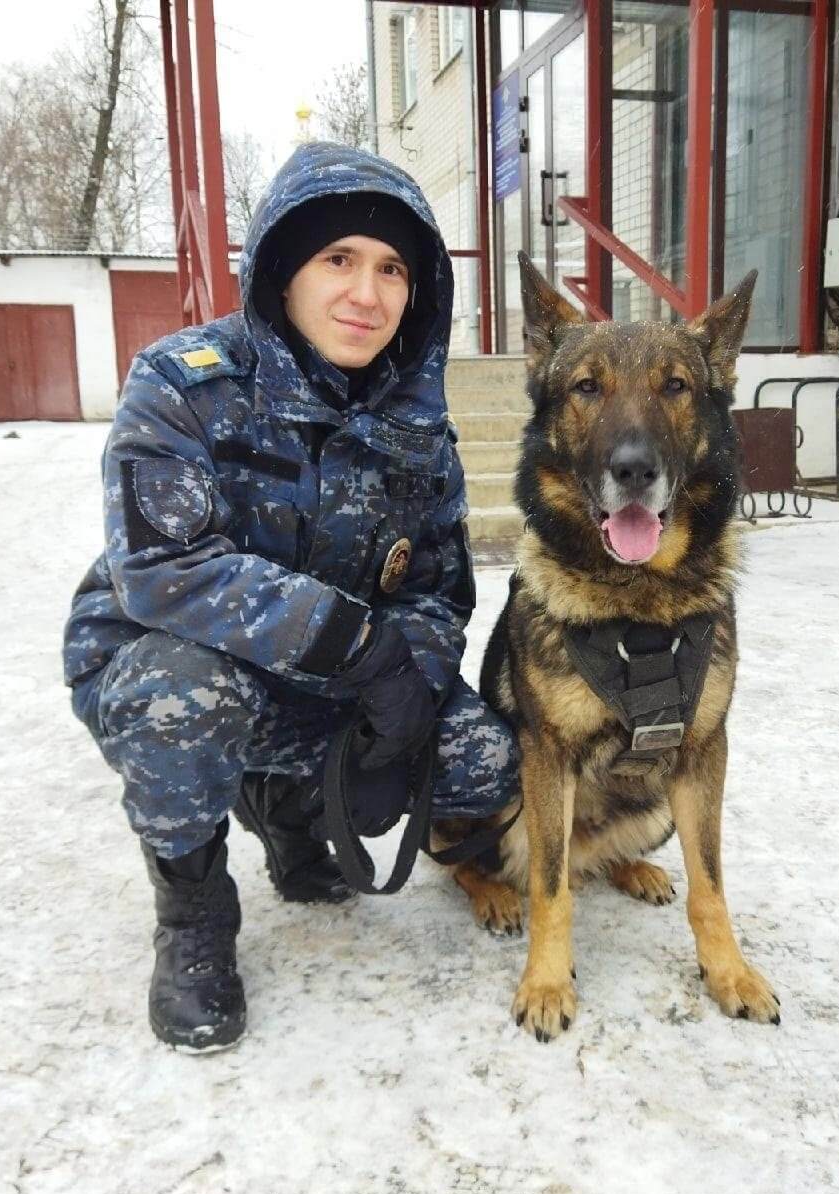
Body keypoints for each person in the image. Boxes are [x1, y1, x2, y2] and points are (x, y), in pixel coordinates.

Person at [62, 142, 518, 1052]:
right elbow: (164, 573)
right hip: (175, 665)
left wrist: (411, 691)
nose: (368, 294)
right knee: (177, 701)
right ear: (282, 269)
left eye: (393, 268)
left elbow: (438, 588)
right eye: (337, 260)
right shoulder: (183, 383)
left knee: (485, 760)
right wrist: (360, 650)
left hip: (330, 679)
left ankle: (293, 811)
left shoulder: (417, 423)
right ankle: (192, 914)